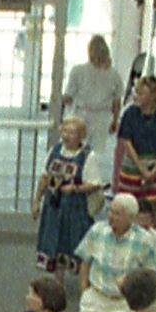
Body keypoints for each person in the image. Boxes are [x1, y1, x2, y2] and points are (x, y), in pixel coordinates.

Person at [33, 109, 96, 286]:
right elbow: (45, 177)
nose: (67, 136)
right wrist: (37, 201)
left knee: (74, 243)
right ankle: (57, 281)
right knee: (54, 241)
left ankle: (84, 281)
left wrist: (75, 188)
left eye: (72, 132)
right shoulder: (54, 151)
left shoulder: (87, 156)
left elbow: (95, 184)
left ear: (80, 135)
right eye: (65, 131)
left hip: (75, 209)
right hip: (53, 207)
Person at [111, 67, 156, 225]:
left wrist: (154, 169)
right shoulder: (130, 113)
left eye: (142, 93)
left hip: (155, 163)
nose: (137, 96)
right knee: (128, 207)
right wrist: (141, 168)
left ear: (153, 95)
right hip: (133, 164)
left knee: (150, 208)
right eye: (137, 92)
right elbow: (127, 142)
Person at [62, 32, 121, 187]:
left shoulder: (78, 71)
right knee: (94, 154)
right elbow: (116, 102)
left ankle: (74, 177)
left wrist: (57, 102)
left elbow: (68, 96)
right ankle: (92, 182)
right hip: (102, 117)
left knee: (75, 149)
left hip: (81, 114)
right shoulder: (114, 75)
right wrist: (115, 120)